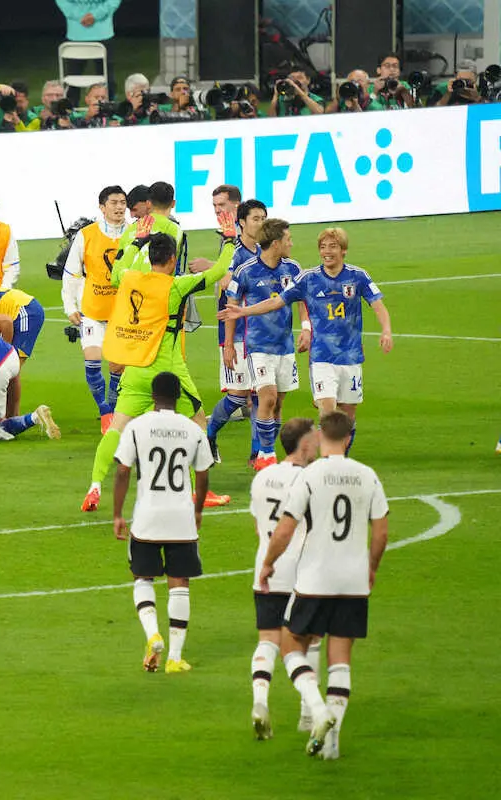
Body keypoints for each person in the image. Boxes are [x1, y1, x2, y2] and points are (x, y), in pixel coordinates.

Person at [82, 217, 237, 512]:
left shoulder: (129, 278)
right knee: (198, 422)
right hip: (166, 368)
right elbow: (218, 271)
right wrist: (229, 240)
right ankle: (197, 491)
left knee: (117, 427)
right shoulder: (176, 286)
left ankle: (94, 486)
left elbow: (115, 272)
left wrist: (135, 242)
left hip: (135, 368)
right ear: (172, 259)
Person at [260, 410, 390, 759]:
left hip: (316, 577)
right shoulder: (367, 475)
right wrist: (372, 567)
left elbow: (285, 529)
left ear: (322, 437)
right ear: (348, 437)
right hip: (353, 580)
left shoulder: (310, 475)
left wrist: (269, 562)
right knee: (340, 659)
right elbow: (381, 532)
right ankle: (331, 746)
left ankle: (317, 711)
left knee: (290, 646)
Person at [219, 228, 393, 454]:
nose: (327, 252)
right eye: (323, 247)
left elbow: (377, 304)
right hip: (321, 358)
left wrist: (386, 330)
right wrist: (243, 312)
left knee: (347, 417)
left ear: (344, 250)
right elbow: (276, 302)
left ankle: (341, 457)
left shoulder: (358, 276)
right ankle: (327, 459)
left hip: (351, 357)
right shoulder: (308, 278)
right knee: (328, 411)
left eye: (332, 247)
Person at [112, 371, 215, 674]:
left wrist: (118, 514)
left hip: (147, 516)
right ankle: (175, 657)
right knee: (179, 583)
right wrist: (197, 510)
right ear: (178, 397)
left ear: (153, 396)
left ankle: (152, 634)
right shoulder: (192, 429)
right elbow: (204, 473)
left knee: (143, 578)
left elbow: (122, 471)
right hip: (181, 516)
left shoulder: (137, 427)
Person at [247, 417, 319, 740]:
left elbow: (257, 524)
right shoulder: (311, 479)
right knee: (309, 641)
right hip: (301, 572)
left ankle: (260, 700)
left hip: (265, 566)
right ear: (304, 444)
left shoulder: (263, 477)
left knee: (267, 640)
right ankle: (308, 713)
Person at [226, 218, 308, 470]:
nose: (291, 243)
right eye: (288, 240)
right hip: (258, 347)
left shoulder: (293, 269)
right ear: (275, 244)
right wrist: (229, 344)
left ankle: (264, 454)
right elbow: (232, 307)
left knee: (278, 404)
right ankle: (268, 453)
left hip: (284, 346)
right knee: (267, 398)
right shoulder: (245, 271)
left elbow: (302, 301)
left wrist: (306, 328)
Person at [198, 196, 265, 463]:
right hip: (235, 333)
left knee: (260, 394)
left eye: (263, 218)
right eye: (255, 219)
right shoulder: (233, 253)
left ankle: (256, 452)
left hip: (260, 334)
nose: (260, 224)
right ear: (242, 223)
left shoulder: (266, 250)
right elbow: (226, 283)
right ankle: (210, 434)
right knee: (238, 396)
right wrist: (211, 269)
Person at [62, 185, 128, 426]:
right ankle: (105, 412)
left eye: (123, 202)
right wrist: (70, 306)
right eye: (114, 202)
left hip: (124, 313)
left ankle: (112, 410)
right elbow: (71, 273)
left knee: (117, 366)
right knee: (92, 360)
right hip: (92, 310)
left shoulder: (133, 235)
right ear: (102, 207)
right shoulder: (87, 235)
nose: (120, 207)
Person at [55, 1, 121, 103]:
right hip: (79, 34)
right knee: (73, 80)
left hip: (100, 33)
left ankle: (108, 108)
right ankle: (70, 111)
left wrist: (94, 15)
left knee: (107, 79)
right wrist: (85, 16)